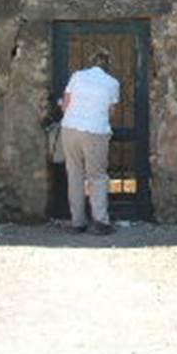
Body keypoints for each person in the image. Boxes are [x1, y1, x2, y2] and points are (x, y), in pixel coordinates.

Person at [60, 50, 120, 234]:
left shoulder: (77, 76)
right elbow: (111, 112)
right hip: (95, 131)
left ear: (90, 62)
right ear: (107, 65)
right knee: (97, 176)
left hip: (70, 129)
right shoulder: (112, 83)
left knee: (75, 175)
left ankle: (78, 222)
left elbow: (66, 104)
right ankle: (100, 222)